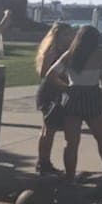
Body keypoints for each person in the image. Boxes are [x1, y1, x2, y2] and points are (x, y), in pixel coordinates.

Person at [48, 25, 102, 182]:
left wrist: (67, 87)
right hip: (93, 97)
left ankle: (70, 175)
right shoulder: (100, 55)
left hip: (73, 98)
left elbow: (51, 75)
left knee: (71, 142)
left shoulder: (70, 55)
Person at [34, 22, 75, 175]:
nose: (70, 37)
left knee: (49, 129)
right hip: (50, 92)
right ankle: (43, 162)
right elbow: (45, 73)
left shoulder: (66, 50)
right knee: (48, 129)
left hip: (60, 91)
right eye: (66, 34)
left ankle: (44, 162)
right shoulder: (51, 51)